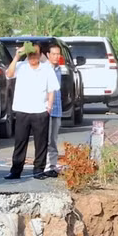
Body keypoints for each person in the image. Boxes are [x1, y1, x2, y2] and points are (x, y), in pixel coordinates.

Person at [5, 41, 58, 180]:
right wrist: (16, 57)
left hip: (41, 110)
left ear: (40, 55)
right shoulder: (21, 66)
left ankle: (38, 170)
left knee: (41, 143)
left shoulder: (46, 69)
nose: (32, 57)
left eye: (35, 54)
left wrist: (49, 107)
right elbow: (9, 74)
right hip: (23, 110)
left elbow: (52, 89)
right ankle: (16, 170)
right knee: (20, 142)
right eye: (30, 54)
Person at [44, 41, 64, 178]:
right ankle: (44, 166)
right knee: (45, 139)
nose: (56, 57)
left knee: (53, 139)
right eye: (54, 54)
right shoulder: (43, 69)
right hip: (46, 109)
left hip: (57, 109)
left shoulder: (59, 70)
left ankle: (52, 165)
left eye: (58, 54)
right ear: (48, 55)